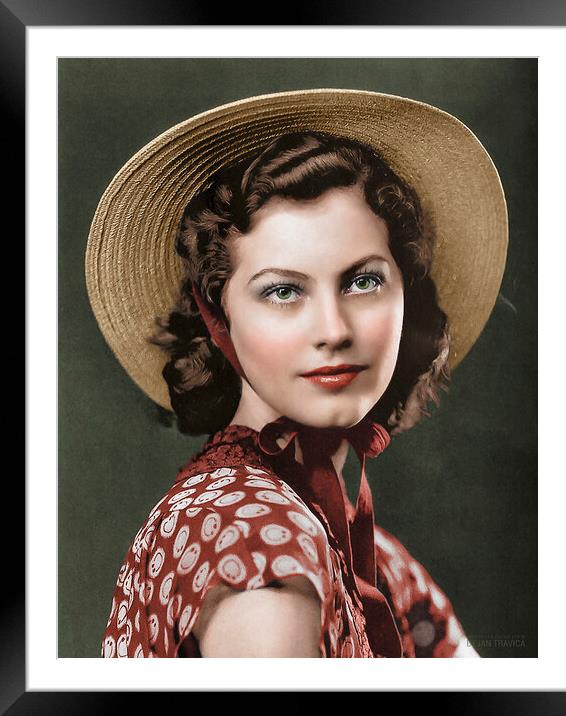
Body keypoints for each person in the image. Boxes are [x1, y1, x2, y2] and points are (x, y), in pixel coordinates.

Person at [86, 89, 508, 658]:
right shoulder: (255, 546)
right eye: (283, 291)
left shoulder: (378, 564)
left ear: (408, 293)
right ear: (217, 316)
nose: (333, 329)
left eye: (363, 281)